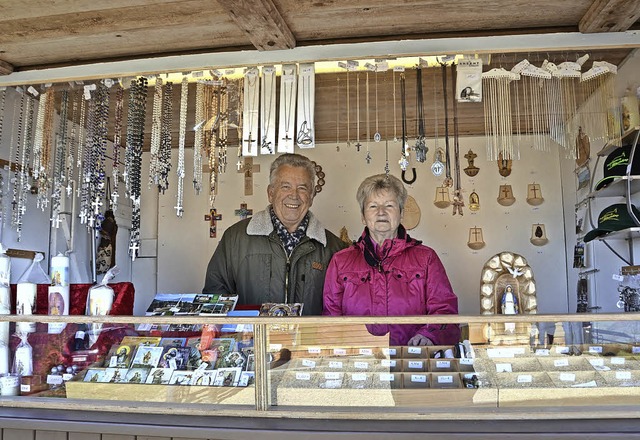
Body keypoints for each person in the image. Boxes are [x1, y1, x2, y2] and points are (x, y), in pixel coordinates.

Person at [323, 173, 460, 346]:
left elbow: (444, 309)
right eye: (373, 206)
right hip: (360, 363)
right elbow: (331, 316)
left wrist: (429, 336)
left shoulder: (426, 259)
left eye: (389, 205)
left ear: (401, 213)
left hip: (412, 361)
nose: (381, 212)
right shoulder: (341, 261)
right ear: (363, 216)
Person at [203, 153, 346, 315]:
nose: (294, 195)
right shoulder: (235, 238)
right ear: (271, 193)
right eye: (285, 186)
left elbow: (340, 308)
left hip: (308, 340)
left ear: (311, 196)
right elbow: (215, 294)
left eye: (302, 188)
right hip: (252, 339)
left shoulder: (333, 248)